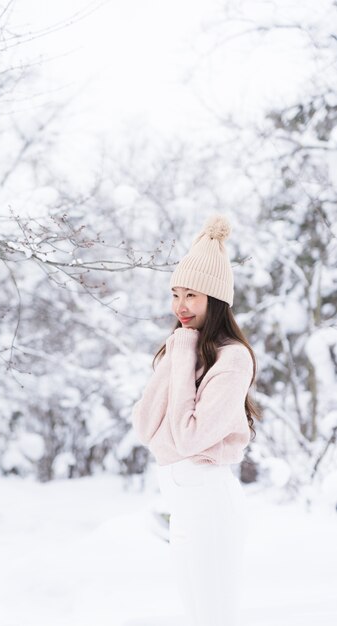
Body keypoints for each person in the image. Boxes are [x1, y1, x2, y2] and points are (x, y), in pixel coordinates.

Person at [130, 213, 261, 626]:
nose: (180, 306)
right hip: (184, 509)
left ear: (215, 300)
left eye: (192, 295)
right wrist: (178, 353)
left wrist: (183, 351)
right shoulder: (180, 349)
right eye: (175, 294)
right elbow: (145, 425)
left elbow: (187, 439)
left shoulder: (233, 359)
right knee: (195, 615)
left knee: (214, 617)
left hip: (211, 509)